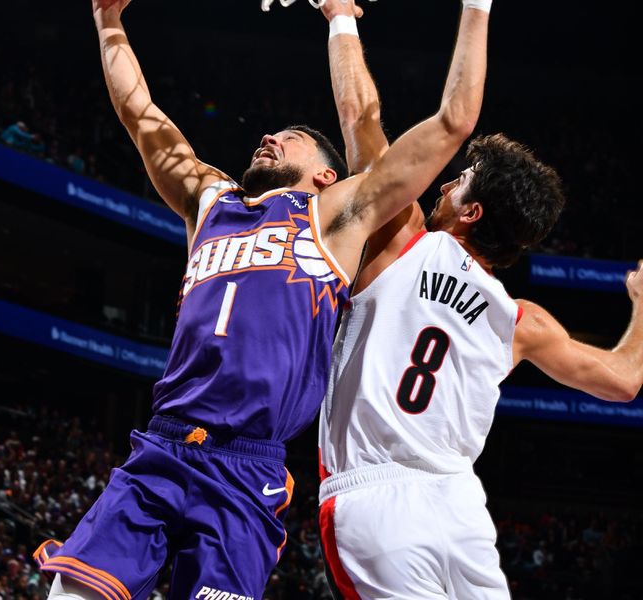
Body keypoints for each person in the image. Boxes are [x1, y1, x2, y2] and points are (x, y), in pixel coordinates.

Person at [35, 0, 489, 598]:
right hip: (162, 447)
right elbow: (140, 114)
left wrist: (470, 9)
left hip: (245, 469)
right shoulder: (211, 203)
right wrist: (107, 20)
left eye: (292, 139)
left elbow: (452, 123)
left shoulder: (333, 217)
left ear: (328, 175)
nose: (269, 137)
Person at [316, 2, 643, 600]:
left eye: (458, 180)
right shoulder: (522, 321)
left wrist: (341, 17)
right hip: (461, 508)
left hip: (374, 495)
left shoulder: (400, 235)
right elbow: (624, 382)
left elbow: (358, 116)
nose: (443, 181)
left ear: (470, 213)